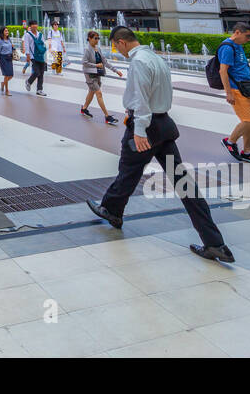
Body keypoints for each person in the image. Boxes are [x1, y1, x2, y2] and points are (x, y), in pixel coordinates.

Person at [88, 27, 234, 263]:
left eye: (116, 46)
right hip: (164, 125)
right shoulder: (156, 58)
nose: (117, 51)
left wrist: (139, 130)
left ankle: (112, 210)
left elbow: (141, 100)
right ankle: (215, 243)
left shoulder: (138, 63)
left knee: (128, 170)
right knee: (182, 182)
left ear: (122, 42)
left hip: (147, 126)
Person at [219, 22, 250, 166]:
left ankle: (247, 152)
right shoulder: (227, 47)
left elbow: (244, 68)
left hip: (248, 89)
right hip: (237, 90)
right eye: (247, 36)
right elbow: (223, 71)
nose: (249, 39)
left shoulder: (239, 46)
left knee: (249, 123)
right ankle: (230, 142)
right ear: (237, 32)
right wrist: (228, 93)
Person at [79, 30, 120, 125]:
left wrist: (115, 70)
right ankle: (107, 116)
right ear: (89, 39)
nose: (97, 40)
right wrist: (96, 65)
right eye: (95, 38)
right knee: (98, 93)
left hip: (97, 74)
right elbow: (84, 62)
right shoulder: (87, 49)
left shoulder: (98, 48)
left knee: (91, 92)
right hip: (90, 74)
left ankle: (84, 108)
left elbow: (104, 61)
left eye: (98, 38)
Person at [22, 21, 48, 96]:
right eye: (33, 24)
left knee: (41, 73)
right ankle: (29, 82)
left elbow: (43, 44)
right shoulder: (27, 35)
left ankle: (39, 90)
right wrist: (27, 56)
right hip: (33, 56)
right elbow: (26, 45)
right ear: (30, 26)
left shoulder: (40, 34)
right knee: (37, 72)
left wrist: (45, 55)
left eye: (36, 24)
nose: (35, 26)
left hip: (41, 56)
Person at [0, 26, 15, 96]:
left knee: (11, 75)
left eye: (7, 31)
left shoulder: (9, 40)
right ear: (2, 32)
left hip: (9, 58)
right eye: (5, 31)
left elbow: (12, 48)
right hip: (3, 59)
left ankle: (3, 83)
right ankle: (7, 91)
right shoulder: (0, 42)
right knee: (6, 75)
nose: (7, 32)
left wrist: (13, 47)